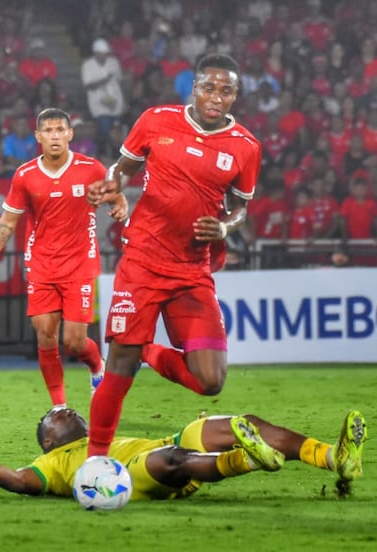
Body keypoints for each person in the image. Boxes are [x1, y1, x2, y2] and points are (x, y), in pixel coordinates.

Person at [85, 53, 262, 456]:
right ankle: (95, 461)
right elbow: (122, 168)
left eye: (226, 90)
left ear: (235, 96)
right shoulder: (156, 119)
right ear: (193, 88)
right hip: (143, 260)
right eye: (209, 88)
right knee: (119, 370)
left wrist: (224, 227)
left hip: (192, 269)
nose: (216, 97)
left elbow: (240, 207)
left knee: (210, 381)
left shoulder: (246, 147)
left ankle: (145, 348)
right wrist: (111, 186)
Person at [0, 108, 127, 409]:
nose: (55, 136)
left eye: (60, 130)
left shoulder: (91, 168)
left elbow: (116, 193)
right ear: (38, 137)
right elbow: (8, 222)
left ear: (70, 134)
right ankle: (59, 408)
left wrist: (120, 204)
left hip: (80, 265)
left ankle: (97, 364)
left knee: (73, 341)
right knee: (46, 335)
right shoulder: (25, 175)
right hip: (41, 265)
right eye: (48, 131)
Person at [0, 407, 368, 500]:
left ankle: (334, 457)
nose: (64, 407)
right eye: (54, 415)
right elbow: (17, 481)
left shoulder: (102, 434)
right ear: (48, 441)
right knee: (168, 462)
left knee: (239, 422)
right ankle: (247, 460)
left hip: (169, 442)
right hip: (132, 477)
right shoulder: (53, 464)